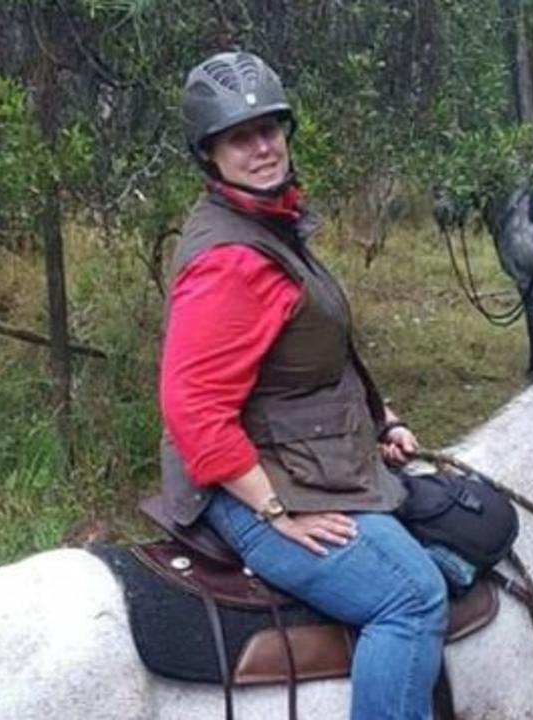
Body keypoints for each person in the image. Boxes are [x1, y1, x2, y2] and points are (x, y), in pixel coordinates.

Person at [155, 51, 448, 720]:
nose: (262, 147)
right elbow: (192, 406)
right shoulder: (231, 258)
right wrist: (276, 511)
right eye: (240, 136)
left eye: (270, 127)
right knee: (412, 596)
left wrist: (382, 420)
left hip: (309, 458)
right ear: (210, 154)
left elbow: (313, 356)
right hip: (248, 486)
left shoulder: (270, 224)